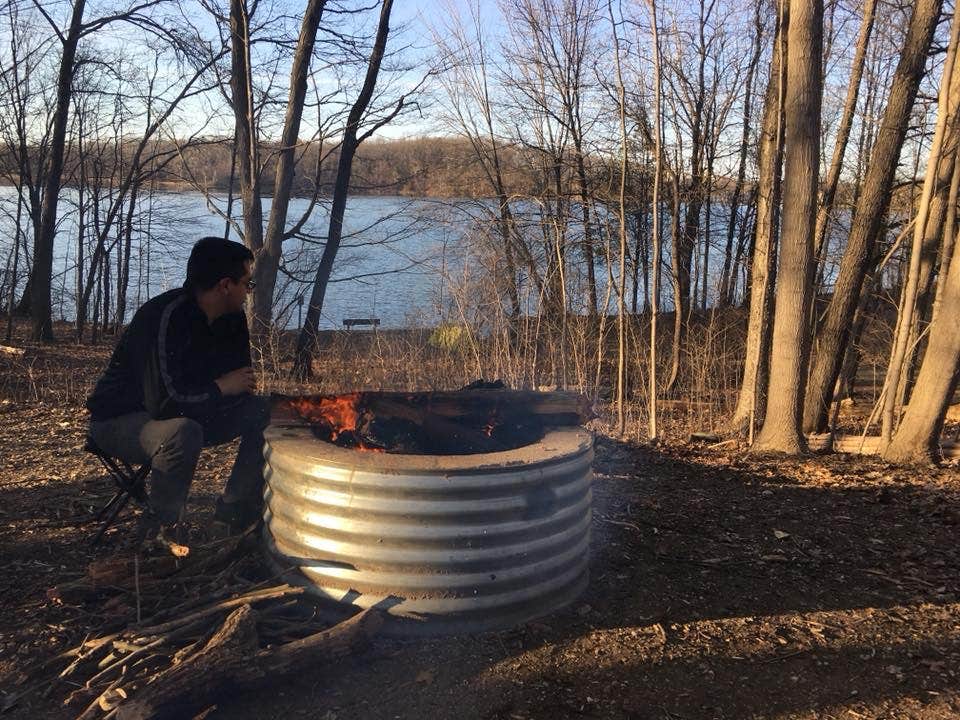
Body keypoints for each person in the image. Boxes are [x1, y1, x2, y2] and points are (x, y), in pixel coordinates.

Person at [86, 236, 270, 552]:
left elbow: (240, 386)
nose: (248, 292)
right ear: (225, 285)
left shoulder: (233, 319)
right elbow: (164, 404)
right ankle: (160, 537)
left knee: (265, 411)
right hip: (119, 421)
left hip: (191, 413)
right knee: (181, 433)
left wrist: (228, 392)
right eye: (247, 284)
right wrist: (220, 387)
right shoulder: (163, 317)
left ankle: (232, 516)